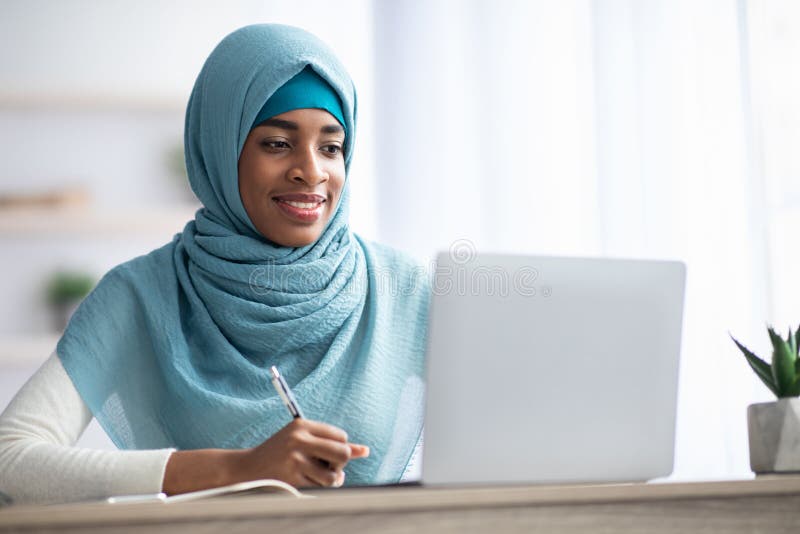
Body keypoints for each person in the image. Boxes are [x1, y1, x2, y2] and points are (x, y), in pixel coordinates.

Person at [0, 24, 429, 505]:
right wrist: (239, 468)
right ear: (220, 149)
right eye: (277, 143)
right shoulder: (142, 296)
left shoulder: (404, 290)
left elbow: (508, 441)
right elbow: (9, 459)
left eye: (331, 147)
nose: (311, 171)